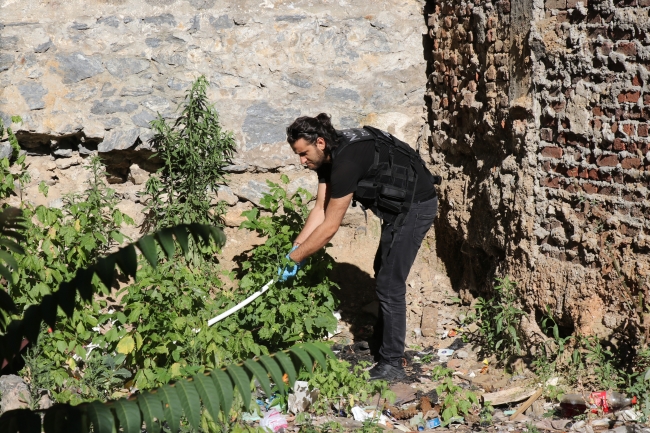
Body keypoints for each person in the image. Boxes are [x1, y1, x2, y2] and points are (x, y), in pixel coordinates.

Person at [280, 113, 439, 382]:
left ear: (320, 142)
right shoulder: (326, 159)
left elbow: (329, 227)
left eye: (304, 153)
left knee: (390, 283)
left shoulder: (346, 162)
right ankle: (382, 345)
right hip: (397, 210)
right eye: (298, 155)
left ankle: (392, 365)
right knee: (383, 271)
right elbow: (320, 209)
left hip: (417, 206)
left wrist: (296, 258)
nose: (301, 161)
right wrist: (295, 248)